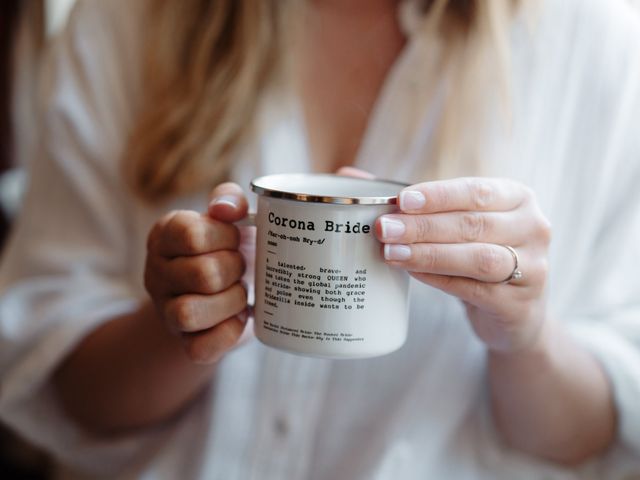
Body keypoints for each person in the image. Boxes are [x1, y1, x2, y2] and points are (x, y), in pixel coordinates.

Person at [1, 0, 640, 478]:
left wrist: (525, 338)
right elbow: (62, 381)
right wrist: (178, 327)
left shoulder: (597, 46)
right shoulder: (127, 20)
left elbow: (598, 432)